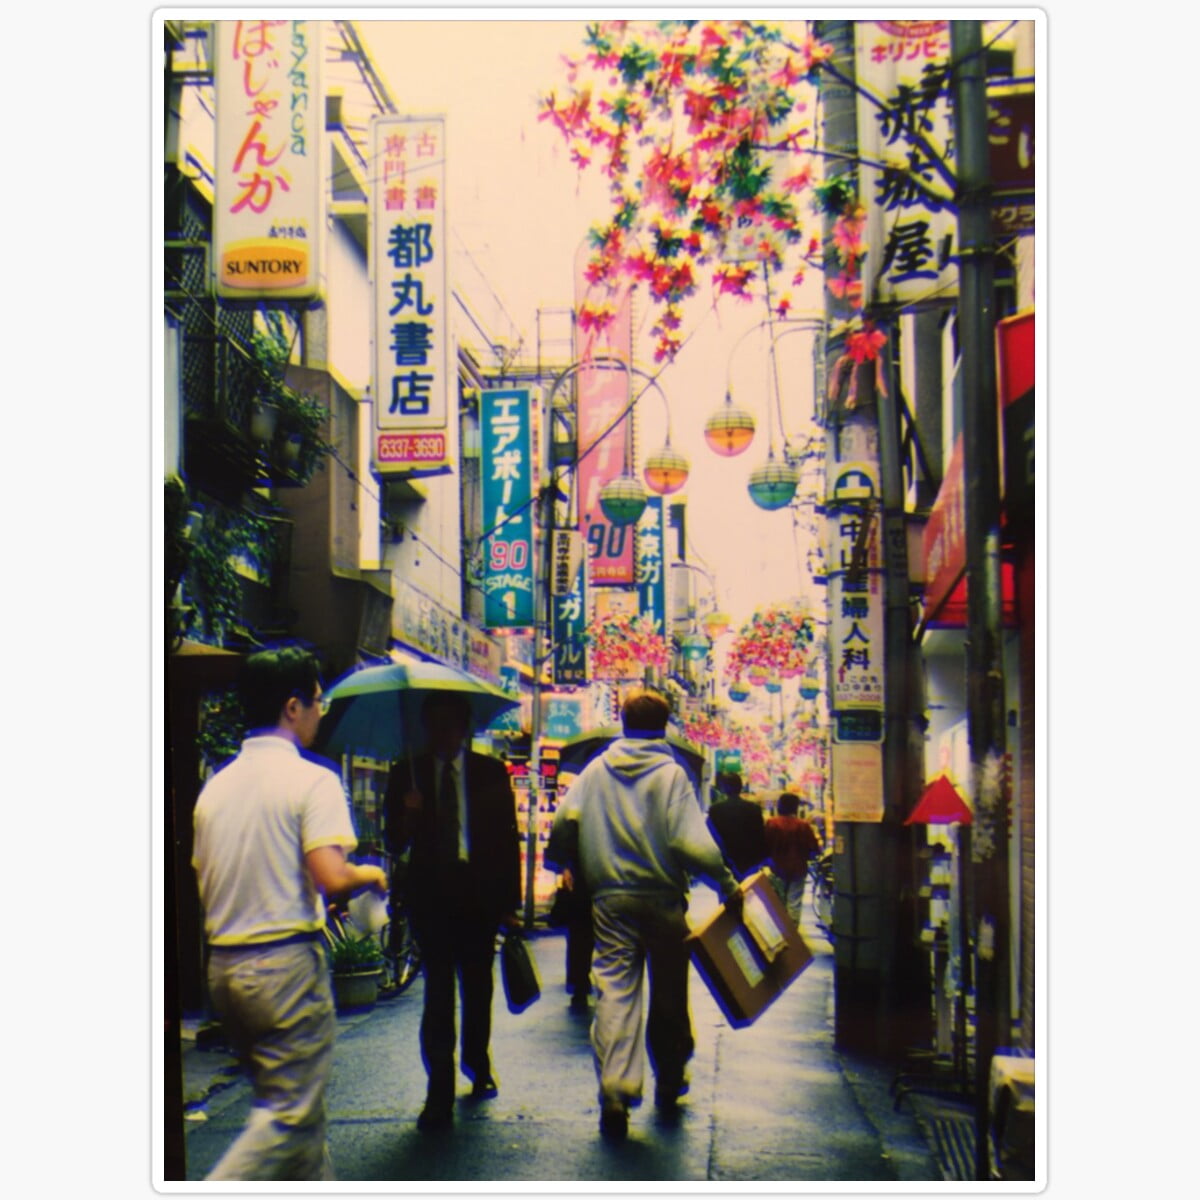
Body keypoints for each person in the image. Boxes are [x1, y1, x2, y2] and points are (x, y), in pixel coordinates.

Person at [192, 646, 388, 1181]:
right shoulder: (312, 780)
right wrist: (368, 874)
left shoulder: (215, 789)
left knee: (297, 1118)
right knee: (289, 1117)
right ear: (293, 706)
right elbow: (330, 875)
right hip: (283, 967)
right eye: (318, 701)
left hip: (225, 970)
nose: (322, 712)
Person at [552, 689, 741, 1141]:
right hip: (663, 898)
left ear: (622, 722)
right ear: (664, 726)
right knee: (669, 993)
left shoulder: (595, 771)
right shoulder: (672, 774)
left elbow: (563, 823)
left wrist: (563, 862)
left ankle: (616, 1090)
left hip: (611, 900)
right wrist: (726, 884)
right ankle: (670, 1077)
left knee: (615, 990)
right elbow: (691, 843)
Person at [384, 691, 521, 1131]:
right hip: (432, 898)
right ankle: (438, 1090)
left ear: (464, 728)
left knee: (478, 988)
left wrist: (510, 905)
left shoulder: (490, 772)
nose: (442, 733)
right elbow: (393, 842)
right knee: (438, 994)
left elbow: (507, 839)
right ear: (426, 727)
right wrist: (408, 816)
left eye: (450, 724)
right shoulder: (407, 773)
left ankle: (477, 1062)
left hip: (479, 897)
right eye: (435, 724)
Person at [764, 792, 822, 928]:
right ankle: (793, 933)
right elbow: (813, 848)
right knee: (794, 903)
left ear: (780, 806)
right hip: (798, 869)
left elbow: (765, 846)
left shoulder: (772, 823)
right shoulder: (803, 825)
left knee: (778, 903)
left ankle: (780, 931)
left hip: (777, 868)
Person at [706, 770, 768, 879]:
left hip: (726, 862)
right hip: (750, 862)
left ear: (724, 788)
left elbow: (713, 838)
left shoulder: (715, 810)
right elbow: (760, 836)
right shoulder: (754, 808)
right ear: (741, 787)